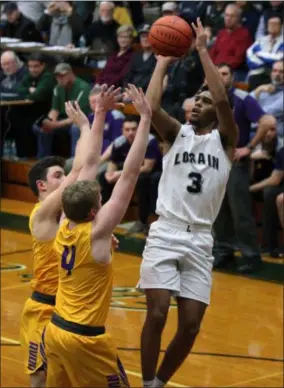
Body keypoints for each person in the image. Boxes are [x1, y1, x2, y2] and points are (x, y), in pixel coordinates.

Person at [137, 19, 238, 388]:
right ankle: (147, 382)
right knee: (158, 314)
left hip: (200, 239)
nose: (198, 105)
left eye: (205, 101)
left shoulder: (225, 143)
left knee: (192, 326)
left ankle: (160, 382)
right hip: (166, 231)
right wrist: (162, 62)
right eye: (196, 100)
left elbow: (224, 97)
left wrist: (200, 50)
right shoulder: (174, 135)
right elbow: (149, 108)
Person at [42, 84, 152, 387]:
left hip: (55, 330)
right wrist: (145, 120)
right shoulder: (97, 232)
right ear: (94, 212)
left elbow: (89, 164)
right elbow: (129, 175)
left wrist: (100, 113)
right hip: (85, 338)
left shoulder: (64, 222)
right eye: (100, 202)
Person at [19, 98, 94, 387]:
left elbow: (87, 167)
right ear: (42, 185)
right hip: (43, 306)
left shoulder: (67, 212)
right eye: (57, 176)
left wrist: (90, 125)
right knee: (39, 375)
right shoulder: (42, 213)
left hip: (69, 307)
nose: (65, 179)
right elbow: (77, 172)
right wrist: (84, 127)